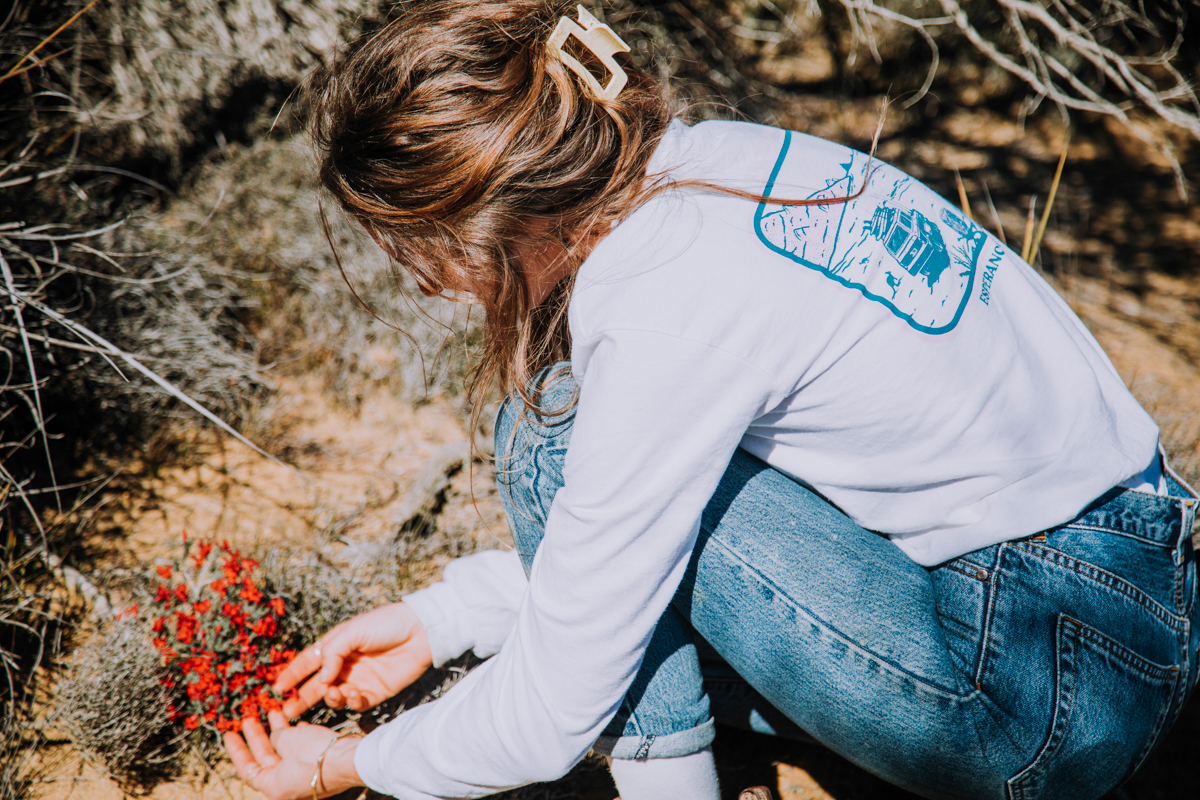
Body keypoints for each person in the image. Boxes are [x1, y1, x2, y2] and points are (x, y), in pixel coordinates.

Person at [221, 2, 1200, 799]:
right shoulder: (713, 161)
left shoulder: (659, 294)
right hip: (1137, 600)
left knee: (548, 432)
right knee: (571, 443)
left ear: (485, 208)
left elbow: (556, 708)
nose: (427, 286)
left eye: (417, 250)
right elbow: (670, 546)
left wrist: (348, 763)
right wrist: (449, 618)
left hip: (1039, 702)